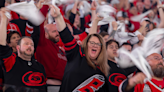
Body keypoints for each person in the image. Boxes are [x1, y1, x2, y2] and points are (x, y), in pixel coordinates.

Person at [50, 5, 110, 92]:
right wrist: (58, 17)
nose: (94, 45)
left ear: (101, 50)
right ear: (86, 45)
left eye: (98, 44)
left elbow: (91, 38)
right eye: (92, 43)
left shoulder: (101, 75)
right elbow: (65, 34)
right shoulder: (76, 56)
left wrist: (96, 21)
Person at [0, 8, 47, 92]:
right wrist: (4, 19)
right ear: (18, 47)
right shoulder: (11, 61)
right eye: (26, 44)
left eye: (32, 45)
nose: (29, 46)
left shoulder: (40, 67)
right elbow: (2, 44)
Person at [36, 23, 67, 92]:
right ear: (45, 34)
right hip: (52, 87)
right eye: (54, 31)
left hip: (64, 86)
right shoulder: (43, 44)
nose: (57, 33)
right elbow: (39, 25)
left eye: (57, 31)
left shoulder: (59, 49)